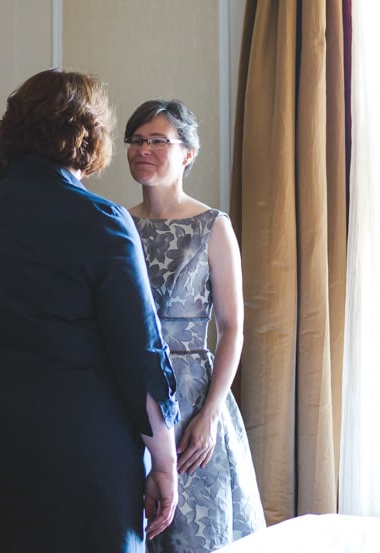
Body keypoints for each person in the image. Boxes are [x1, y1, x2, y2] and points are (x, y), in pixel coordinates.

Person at [0, 68, 180, 553]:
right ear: (88, 137)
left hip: (2, 433)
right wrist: (164, 463)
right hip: (87, 439)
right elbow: (140, 355)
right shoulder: (103, 221)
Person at [122, 99, 266, 553]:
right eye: (137, 140)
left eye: (157, 140)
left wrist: (209, 414)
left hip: (192, 397)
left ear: (188, 153)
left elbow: (232, 328)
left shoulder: (212, 227)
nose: (143, 149)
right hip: (125, 391)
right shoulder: (117, 223)